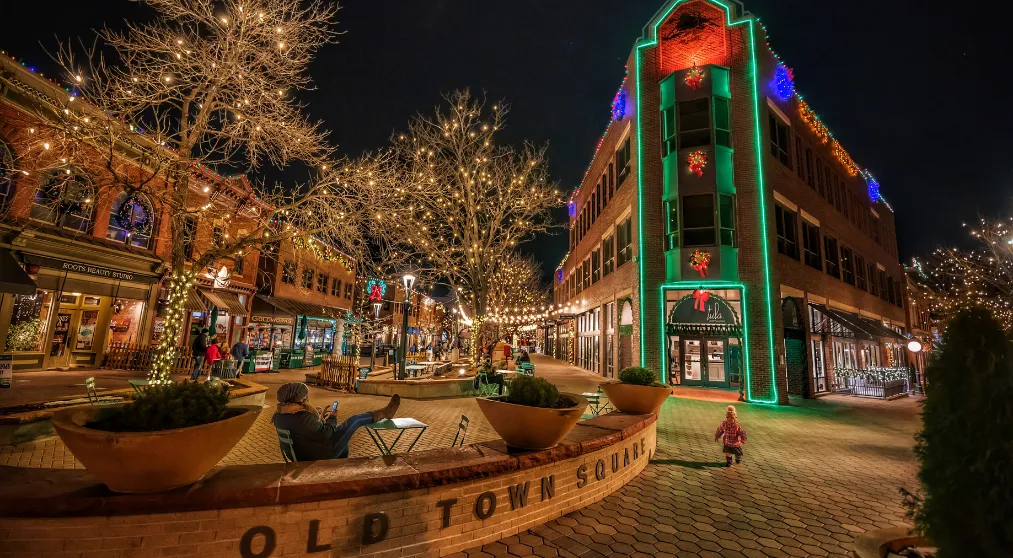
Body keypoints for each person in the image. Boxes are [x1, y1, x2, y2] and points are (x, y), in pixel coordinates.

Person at [272, 383, 401, 460]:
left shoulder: (280, 415)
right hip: (318, 455)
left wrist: (320, 418)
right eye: (305, 397)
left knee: (344, 444)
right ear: (297, 399)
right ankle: (384, 413)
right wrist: (333, 417)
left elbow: (311, 431)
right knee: (353, 421)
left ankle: (339, 469)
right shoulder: (301, 417)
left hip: (301, 453)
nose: (307, 399)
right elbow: (327, 433)